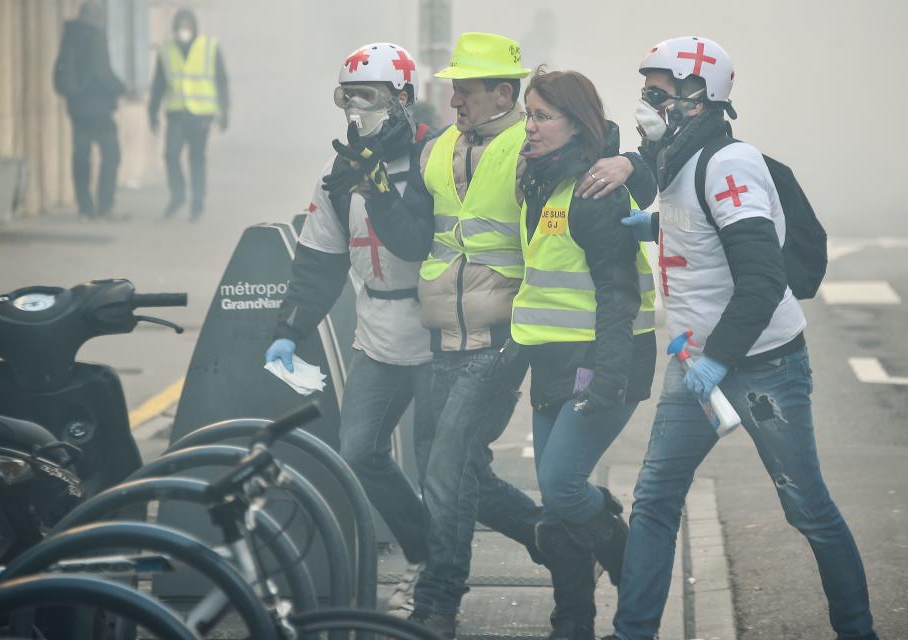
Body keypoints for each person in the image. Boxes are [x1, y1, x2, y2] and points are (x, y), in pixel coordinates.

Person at [334, 32, 657, 639]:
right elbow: (411, 239)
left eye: (467, 90)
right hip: (447, 336)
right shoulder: (440, 151)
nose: (454, 101)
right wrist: (375, 184)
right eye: (454, 89)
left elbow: (594, 148)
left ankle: (439, 601)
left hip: (503, 335)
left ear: (500, 93)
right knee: (453, 472)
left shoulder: (528, 150)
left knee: (450, 469)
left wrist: (632, 163)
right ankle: (558, 546)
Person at [602, 36, 878, 640]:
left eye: (660, 93)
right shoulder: (675, 159)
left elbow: (761, 279)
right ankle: (633, 633)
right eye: (645, 91)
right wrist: (653, 225)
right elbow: (702, 229)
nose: (647, 104)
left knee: (806, 509)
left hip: (761, 367)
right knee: (654, 501)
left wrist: (717, 362)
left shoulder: (729, 164)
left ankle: (859, 631)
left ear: (699, 99)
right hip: (697, 361)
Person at [264, 42, 433, 616]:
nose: (357, 109)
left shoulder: (435, 161)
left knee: (449, 469)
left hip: (439, 332)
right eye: (349, 97)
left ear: (403, 99)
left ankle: (449, 577)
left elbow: (415, 241)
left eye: (371, 96)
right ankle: (424, 554)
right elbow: (318, 263)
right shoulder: (337, 175)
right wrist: (289, 328)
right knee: (359, 451)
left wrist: (380, 185)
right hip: (378, 333)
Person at [514, 67, 657, 640]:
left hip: (600, 362)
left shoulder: (596, 191)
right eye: (529, 115)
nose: (531, 127)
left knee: (564, 486)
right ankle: (571, 625)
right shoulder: (541, 180)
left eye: (542, 116)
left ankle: (631, 569)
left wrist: (608, 379)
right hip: (553, 361)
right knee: (554, 509)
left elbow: (618, 295)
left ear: (577, 125)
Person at [148, 8, 230, 221]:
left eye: (188, 25)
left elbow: (222, 81)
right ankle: (178, 195)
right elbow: (158, 83)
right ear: (175, 27)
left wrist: (225, 111)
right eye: (181, 25)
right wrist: (152, 111)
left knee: (196, 160)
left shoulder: (209, 47)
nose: (184, 30)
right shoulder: (166, 50)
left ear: (194, 27)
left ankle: (197, 203)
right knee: (171, 155)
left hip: (201, 115)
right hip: (176, 114)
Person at [53, 0, 125, 218]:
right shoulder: (95, 36)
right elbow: (102, 72)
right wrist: (121, 88)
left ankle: (85, 206)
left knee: (81, 156)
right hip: (99, 109)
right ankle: (105, 205)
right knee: (111, 154)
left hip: (77, 108)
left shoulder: (70, 35)